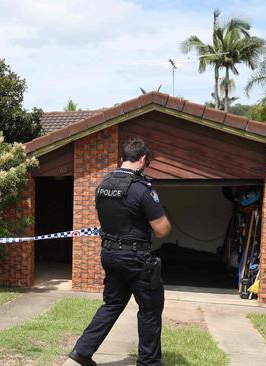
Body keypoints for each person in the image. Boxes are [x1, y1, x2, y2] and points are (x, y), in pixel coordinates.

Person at [67, 137, 171, 366]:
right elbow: (162, 230)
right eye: (148, 161)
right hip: (135, 258)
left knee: (112, 304)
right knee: (150, 307)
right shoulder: (142, 189)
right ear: (143, 159)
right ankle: (149, 362)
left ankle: (82, 351)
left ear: (123, 157)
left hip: (110, 255)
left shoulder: (102, 185)